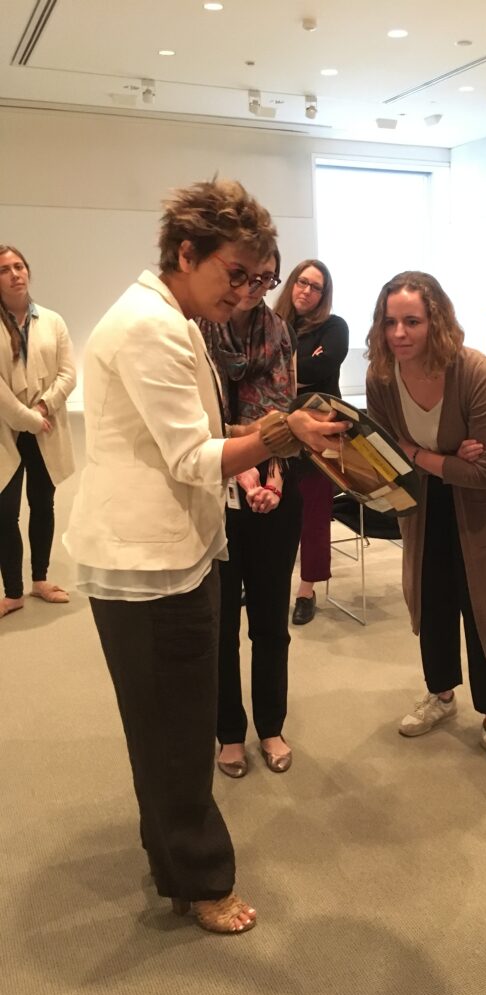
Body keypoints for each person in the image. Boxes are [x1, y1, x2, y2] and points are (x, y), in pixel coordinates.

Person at [63, 179, 346, 934]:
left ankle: (173, 858)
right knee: (177, 729)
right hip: (149, 561)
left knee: (164, 725)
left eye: (263, 279)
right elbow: (193, 456)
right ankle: (201, 877)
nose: (250, 291)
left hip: (162, 551)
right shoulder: (153, 326)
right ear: (186, 254)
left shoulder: (167, 313)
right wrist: (284, 435)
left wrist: (265, 446)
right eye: (237, 274)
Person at [365, 270, 486, 777]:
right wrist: (445, 457)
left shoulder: (475, 372)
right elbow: (385, 456)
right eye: (390, 322)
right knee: (431, 601)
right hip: (425, 507)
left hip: (483, 510)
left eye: (412, 321)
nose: (399, 334)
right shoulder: (382, 378)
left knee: (485, 611)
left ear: (437, 321)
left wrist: (418, 453)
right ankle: (441, 695)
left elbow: (483, 473)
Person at [197, 247, 301, 779]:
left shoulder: (279, 332)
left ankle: (271, 726)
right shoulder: (198, 331)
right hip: (216, 490)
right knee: (222, 624)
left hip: (274, 487)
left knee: (270, 619)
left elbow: (283, 411)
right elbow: (203, 419)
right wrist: (242, 467)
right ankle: (229, 733)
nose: (258, 285)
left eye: (268, 276)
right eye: (248, 274)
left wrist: (275, 474)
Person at [0, 244, 76, 618]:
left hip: (45, 426)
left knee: (42, 505)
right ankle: (12, 592)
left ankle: (40, 579)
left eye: (19, 266)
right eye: (4, 270)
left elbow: (68, 373)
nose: (15, 274)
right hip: (7, 432)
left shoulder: (53, 320)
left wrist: (44, 406)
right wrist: (28, 417)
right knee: (5, 512)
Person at [274, 260, 349, 625]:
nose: (306, 290)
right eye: (302, 282)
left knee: (314, 514)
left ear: (324, 294)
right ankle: (267, 577)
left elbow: (322, 368)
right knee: (270, 507)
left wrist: (284, 374)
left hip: (321, 430)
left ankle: (307, 589)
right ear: (292, 284)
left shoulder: (334, 327)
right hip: (277, 428)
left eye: (315, 286)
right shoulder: (273, 324)